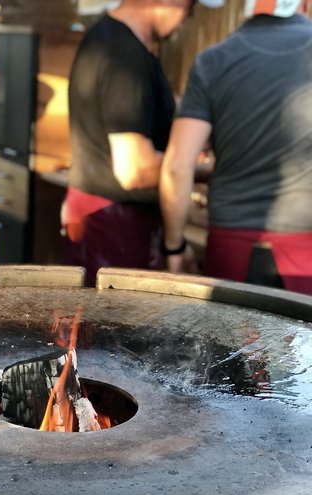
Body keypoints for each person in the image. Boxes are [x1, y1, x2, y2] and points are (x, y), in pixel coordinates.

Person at [62, 0, 223, 286]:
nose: (191, 14)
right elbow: (135, 169)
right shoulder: (125, 57)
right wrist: (198, 170)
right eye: (190, 5)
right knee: (110, 315)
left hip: (98, 215)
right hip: (115, 228)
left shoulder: (107, 37)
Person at [159, 0, 312, 295]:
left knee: (230, 327)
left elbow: (177, 166)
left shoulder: (212, 62)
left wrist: (174, 246)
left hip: (231, 244)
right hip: (307, 245)